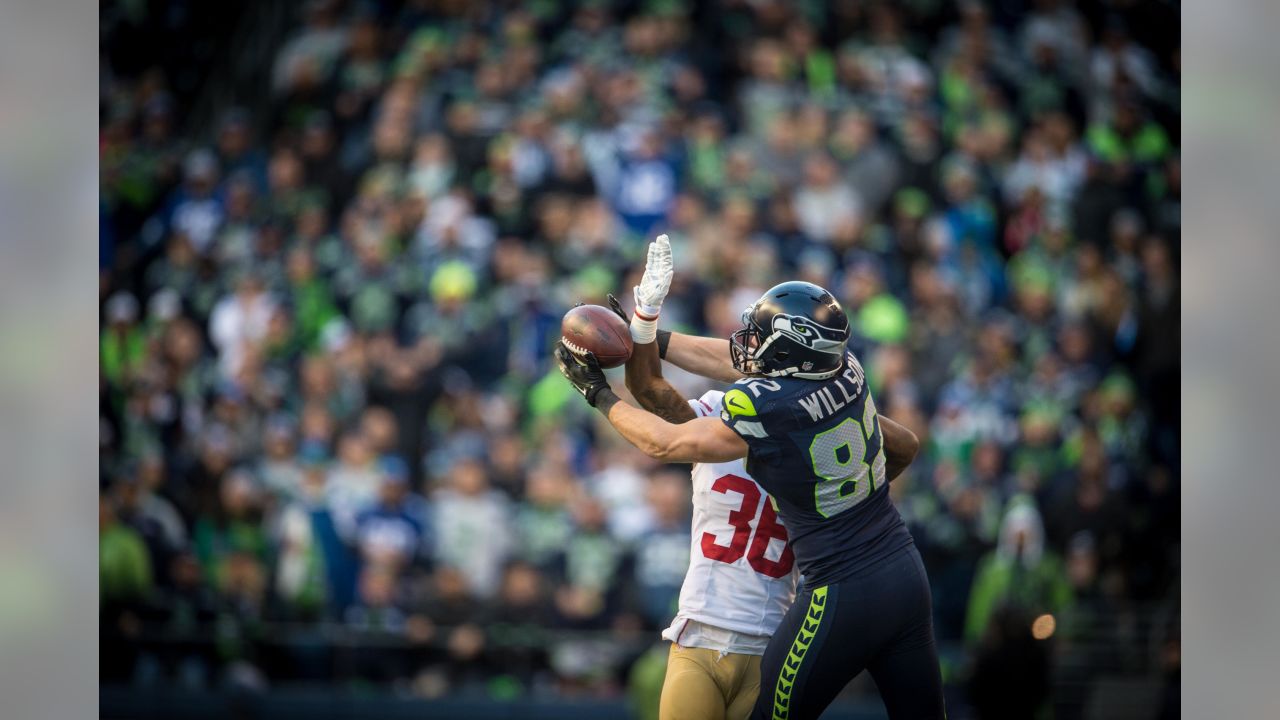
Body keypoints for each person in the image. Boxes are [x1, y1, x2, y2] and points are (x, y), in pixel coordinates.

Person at [556, 235, 945, 720]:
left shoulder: (764, 410)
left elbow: (666, 438)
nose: (749, 345)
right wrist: (647, 333)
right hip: (902, 569)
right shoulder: (845, 367)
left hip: (836, 587)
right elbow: (904, 443)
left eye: (761, 338)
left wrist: (598, 392)